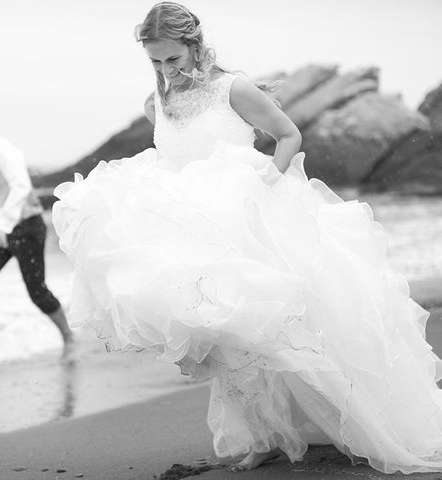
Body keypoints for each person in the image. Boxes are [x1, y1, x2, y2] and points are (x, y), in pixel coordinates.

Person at [51, 2, 442, 474]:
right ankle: (263, 434)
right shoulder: (156, 99)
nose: (165, 70)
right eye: (155, 62)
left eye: (172, 59)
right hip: (187, 225)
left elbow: (289, 135)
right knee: (220, 335)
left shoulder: (231, 88)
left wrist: (268, 184)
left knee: (289, 330)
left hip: (246, 215)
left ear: (194, 46)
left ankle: (345, 421)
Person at [0, 103, 75, 369]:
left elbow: (21, 186)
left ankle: (69, 338)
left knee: (37, 292)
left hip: (25, 227)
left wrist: (3, 226)